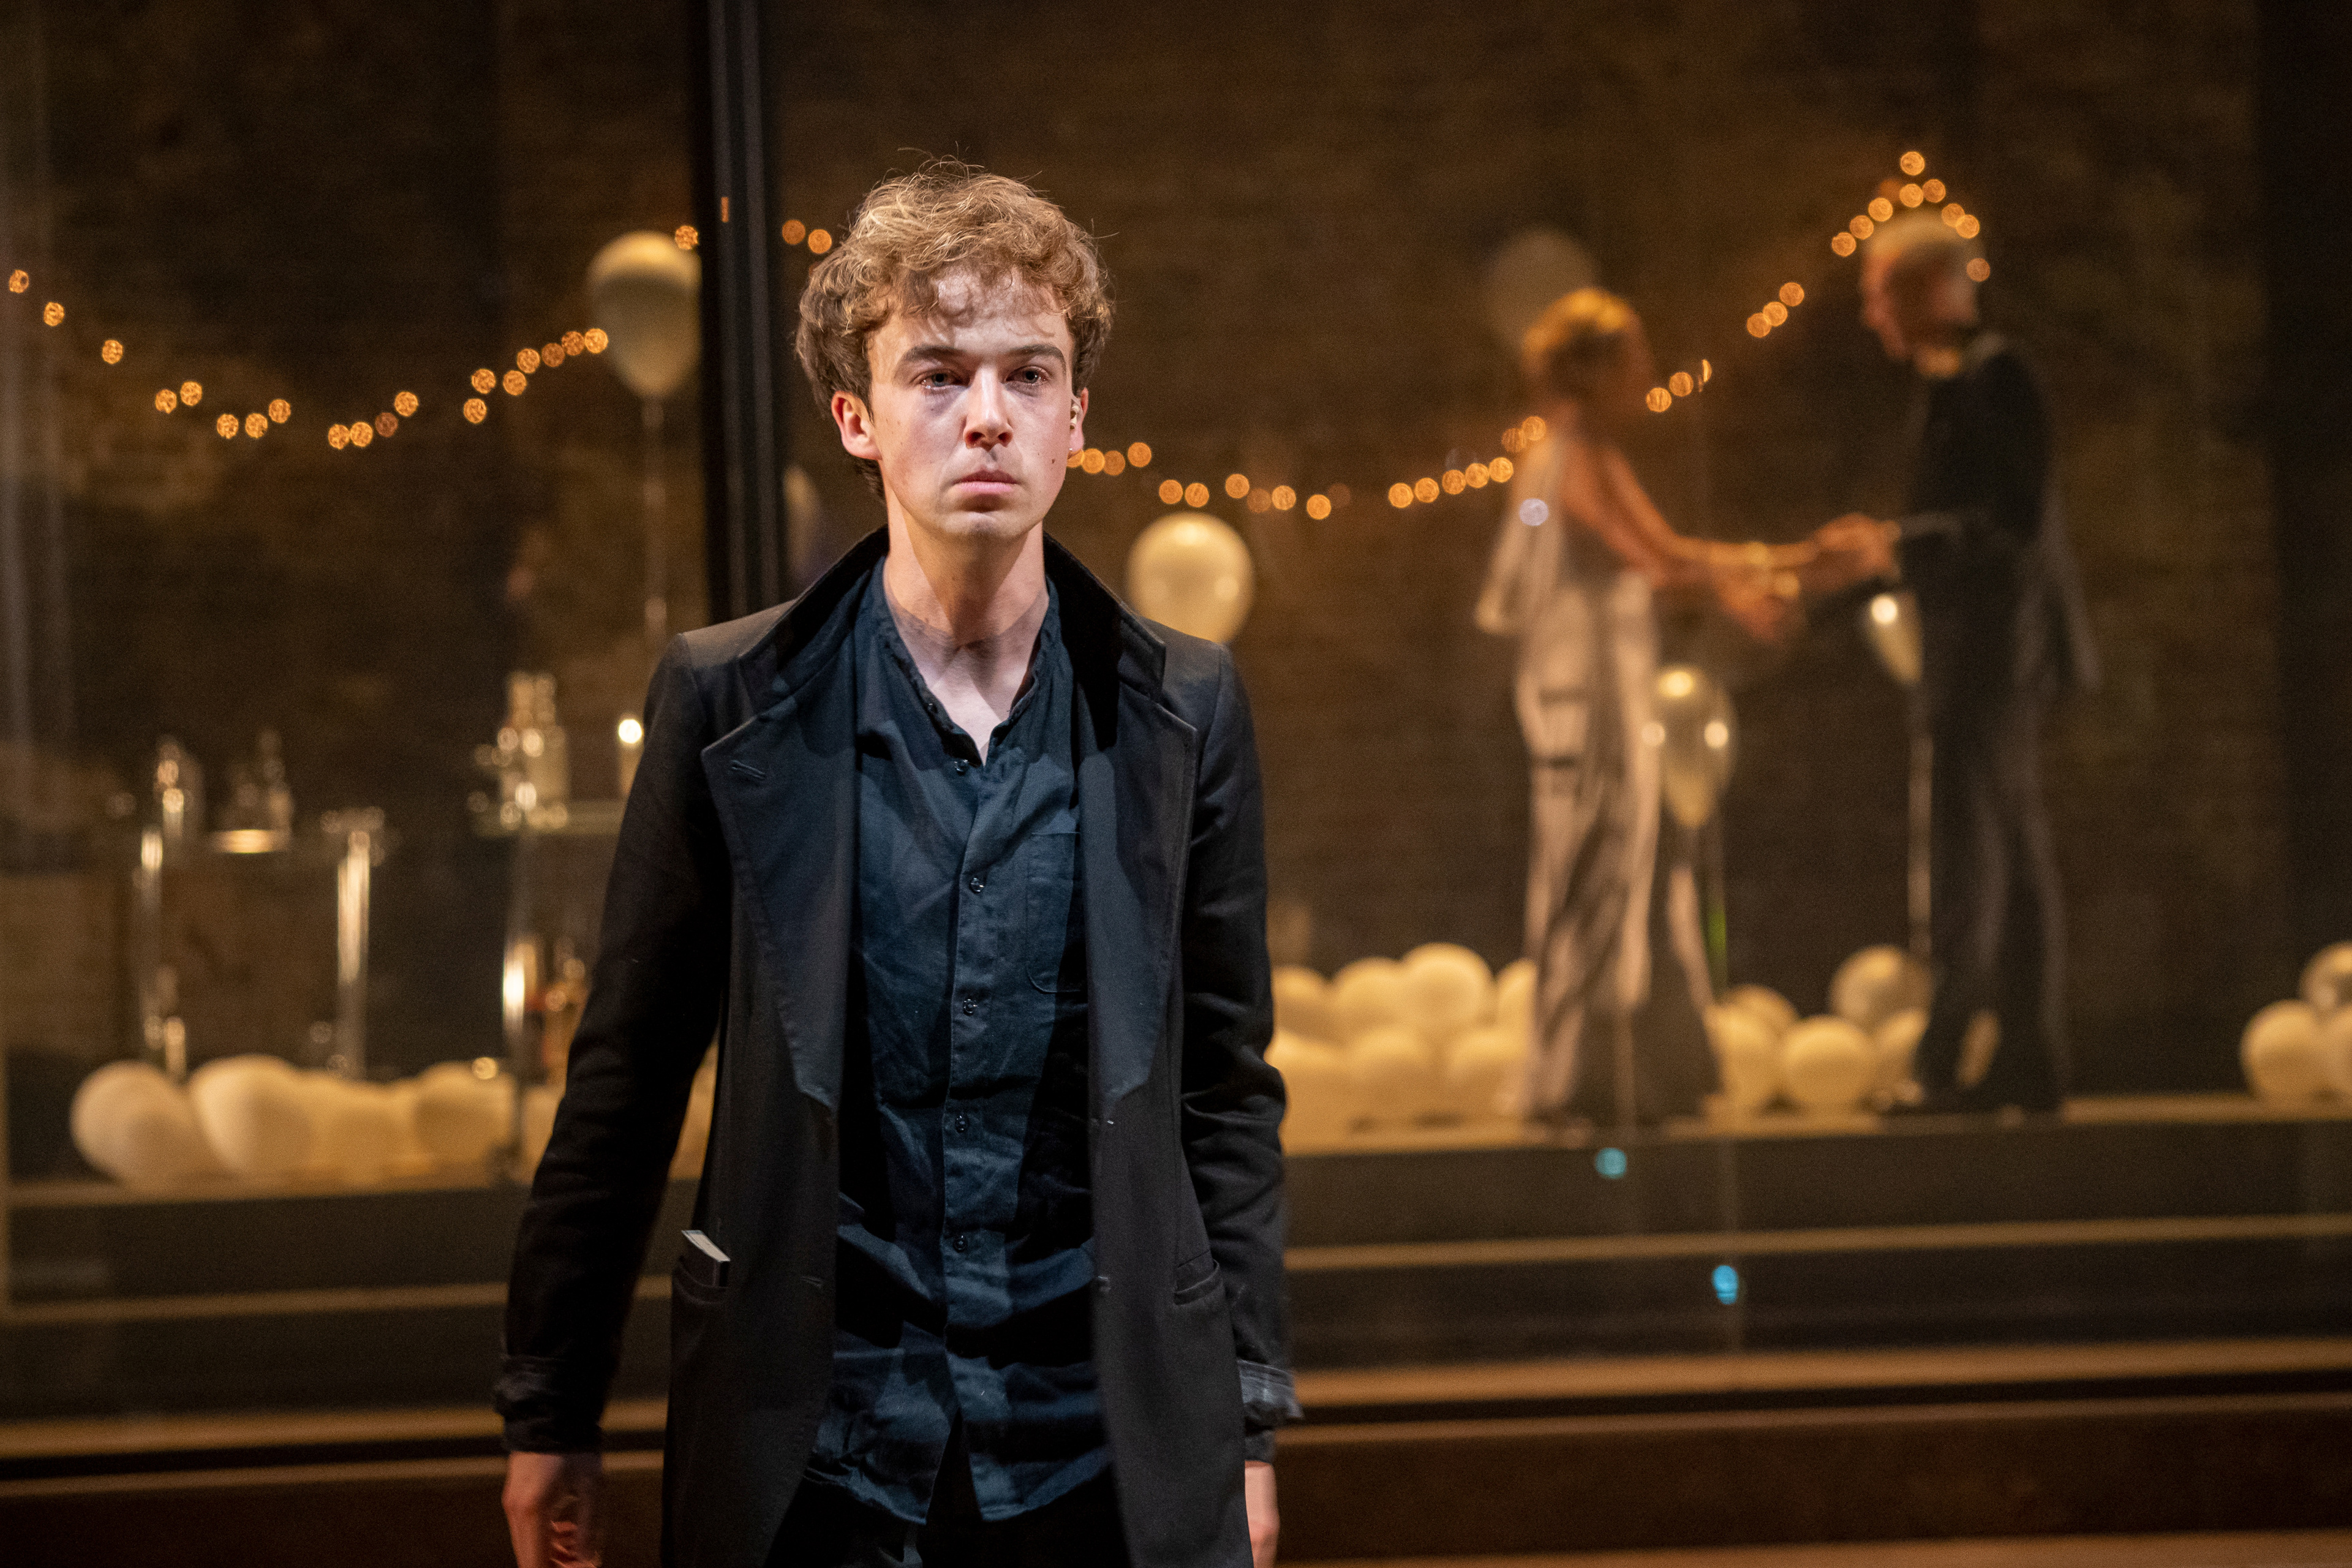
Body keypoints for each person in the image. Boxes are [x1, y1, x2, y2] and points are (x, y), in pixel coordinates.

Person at [497, 163, 1294, 1568]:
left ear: (1076, 415)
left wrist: (1247, 1420)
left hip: (1103, 1447)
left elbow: (1224, 1091)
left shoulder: (1182, 706)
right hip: (822, 1446)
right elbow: (626, 1075)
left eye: (1027, 373)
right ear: (855, 418)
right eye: (938, 373)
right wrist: (551, 1402)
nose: (987, 413)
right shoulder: (728, 700)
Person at [1477, 287, 1804, 1128]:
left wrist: (1751, 576)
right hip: (1585, 700)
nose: (1648, 372)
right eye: (1634, 357)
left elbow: (1659, 561)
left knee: (1642, 868)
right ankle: (1582, 1077)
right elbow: (1658, 557)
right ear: (1594, 370)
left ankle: (1657, 1065)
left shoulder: (1579, 452)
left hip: (1606, 692)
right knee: (1599, 868)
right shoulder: (1569, 456)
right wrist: (1777, 566)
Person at [1813, 213, 2096, 1115]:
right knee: (2005, 853)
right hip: (1973, 651)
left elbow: (2007, 527)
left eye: (1883, 295)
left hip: (1995, 653)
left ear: (1935, 289)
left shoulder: (1995, 378)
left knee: (1974, 859)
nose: (1872, 317)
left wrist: (1890, 546)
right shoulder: (1949, 387)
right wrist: (1845, 579)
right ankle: (2025, 1058)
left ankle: (1949, 1058)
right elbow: (1951, 537)